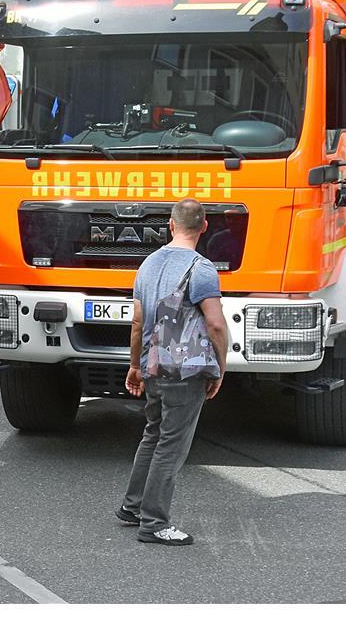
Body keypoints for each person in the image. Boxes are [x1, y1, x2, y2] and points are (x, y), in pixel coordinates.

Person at [119, 198, 228, 547]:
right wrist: (221, 367)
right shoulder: (202, 268)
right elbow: (214, 324)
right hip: (185, 370)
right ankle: (154, 523)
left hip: (152, 365)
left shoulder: (148, 265)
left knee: (153, 435)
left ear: (170, 224)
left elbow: (137, 322)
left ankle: (132, 507)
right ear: (204, 226)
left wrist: (135, 366)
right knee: (171, 445)